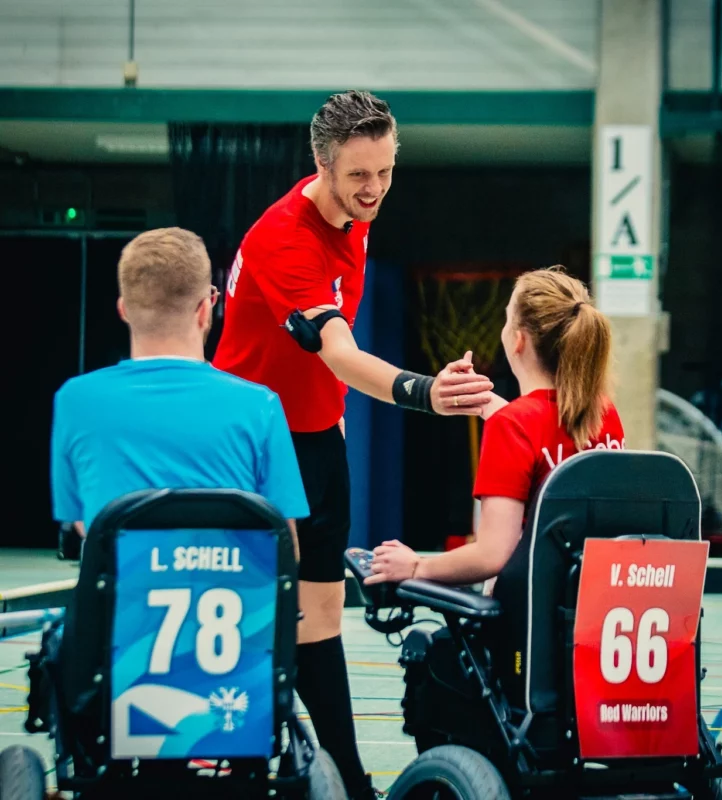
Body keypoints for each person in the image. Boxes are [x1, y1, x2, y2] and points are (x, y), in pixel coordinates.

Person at [211, 89, 493, 799]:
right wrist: (427, 392)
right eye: (359, 175)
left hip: (315, 437)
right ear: (322, 163)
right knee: (260, 623)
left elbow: (319, 367)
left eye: (386, 172)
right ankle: (279, 771)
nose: (374, 190)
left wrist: (330, 413)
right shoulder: (285, 236)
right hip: (253, 449)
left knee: (324, 622)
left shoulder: (355, 221)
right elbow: (337, 350)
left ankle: (340, 777)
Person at [51, 226, 308, 558]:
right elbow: (285, 549)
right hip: (236, 606)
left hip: (121, 607)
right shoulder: (261, 406)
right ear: (206, 308)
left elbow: (85, 524)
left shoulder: (74, 400)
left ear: (124, 309)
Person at [364, 266, 625, 588]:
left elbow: (492, 555)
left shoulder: (513, 425)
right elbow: (551, 436)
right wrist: (499, 408)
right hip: (591, 599)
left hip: (530, 607)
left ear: (517, 340)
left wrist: (416, 566)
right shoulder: (604, 412)